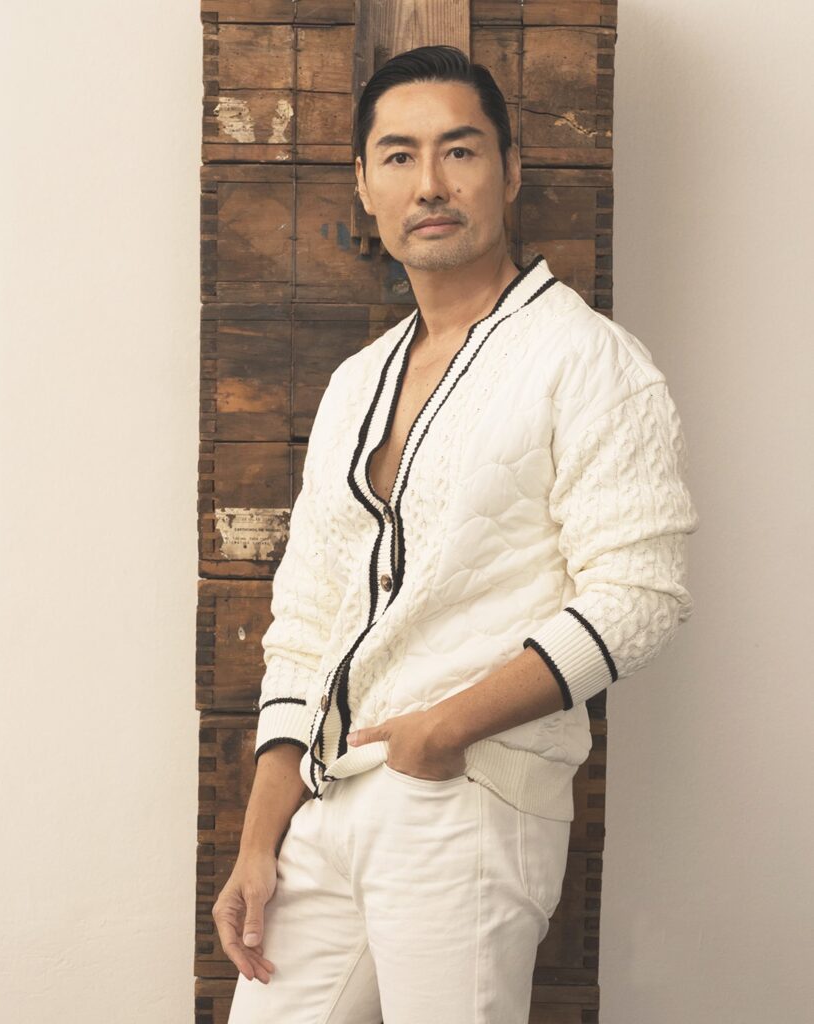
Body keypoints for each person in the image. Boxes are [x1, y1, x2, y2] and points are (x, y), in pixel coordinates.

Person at [214, 44, 700, 1024]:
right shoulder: (358, 382)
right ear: (363, 184)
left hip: (466, 790)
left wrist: (443, 730)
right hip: (329, 798)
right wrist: (261, 838)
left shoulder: (588, 360)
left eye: (459, 150)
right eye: (398, 155)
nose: (429, 183)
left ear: (510, 171)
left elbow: (640, 596)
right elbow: (306, 616)